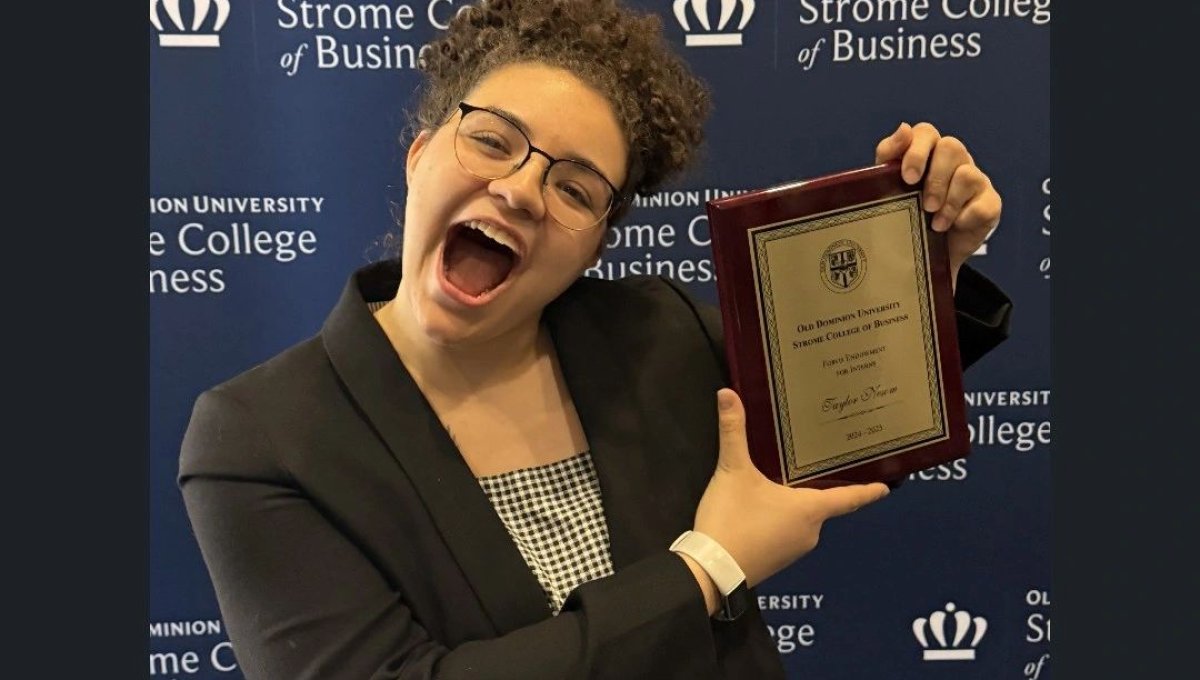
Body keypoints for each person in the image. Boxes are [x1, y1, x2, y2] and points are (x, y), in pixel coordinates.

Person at [177, 1, 1012, 678]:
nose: (520, 191)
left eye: (575, 187)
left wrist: (921, 266)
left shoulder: (658, 335)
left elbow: (848, 426)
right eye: (493, 140)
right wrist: (708, 568)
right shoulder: (262, 437)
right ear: (421, 153)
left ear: (595, 242)